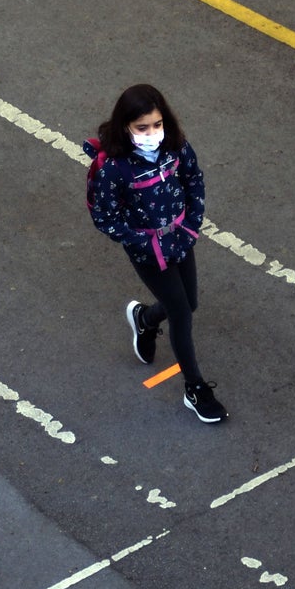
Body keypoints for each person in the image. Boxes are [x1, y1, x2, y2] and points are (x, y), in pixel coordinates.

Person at [86, 84, 226, 424]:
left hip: (180, 239)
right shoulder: (114, 169)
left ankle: (145, 320)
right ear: (126, 128)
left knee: (189, 303)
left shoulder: (176, 148)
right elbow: (105, 218)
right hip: (148, 252)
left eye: (157, 124)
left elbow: (194, 180)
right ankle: (194, 388)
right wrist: (142, 242)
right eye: (142, 128)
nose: (152, 133)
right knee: (181, 312)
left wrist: (190, 225)